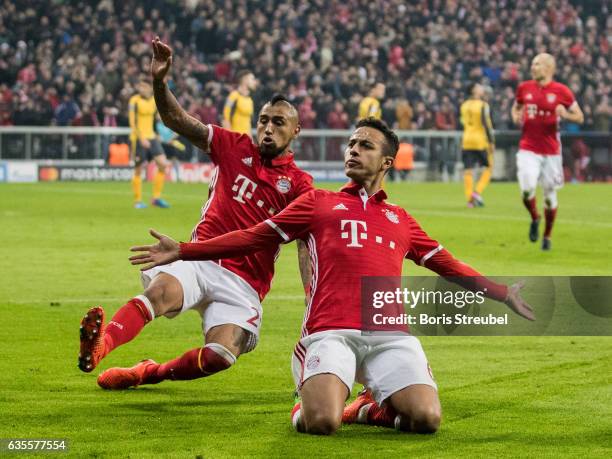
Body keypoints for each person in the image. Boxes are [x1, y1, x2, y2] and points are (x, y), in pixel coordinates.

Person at [129, 117, 534, 435]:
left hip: (390, 335)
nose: (354, 150)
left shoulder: (400, 220)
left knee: (427, 420)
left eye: (365, 146)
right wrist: (185, 250)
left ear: (387, 163)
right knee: (322, 423)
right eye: (352, 144)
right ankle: (308, 398)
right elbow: (252, 238)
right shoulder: (317, 204)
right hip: (329, 332)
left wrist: (501, 293)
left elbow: (449, 265)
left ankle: (368, 408)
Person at [78, 38, 314, 391]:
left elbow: (304, 248)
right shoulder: (231, 146)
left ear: (295, 130)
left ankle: (147, 372)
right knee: (158, 294)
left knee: (221, 354)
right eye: (263, 120)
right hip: (198, 259)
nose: (268, 128)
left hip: (245, 283)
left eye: (278, 123)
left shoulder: (299, 185)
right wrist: (160, 81)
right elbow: (176, 118)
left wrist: (313, 299)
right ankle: (101, 347)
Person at [511, 53, 584, 250]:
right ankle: (535, 217)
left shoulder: (562, 91)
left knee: (550, 195)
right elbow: (516, 107)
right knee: (527, 189)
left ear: (549, 68)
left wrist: (566, 114)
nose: (533, 67)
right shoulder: (524, 88)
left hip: (551, 151)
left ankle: (547, 236)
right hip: (528, 148)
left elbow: (580, 117)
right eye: (532, 63)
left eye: (537, 64)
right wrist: (516, 115)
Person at [129, 77, 171, 209]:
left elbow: (155, 119)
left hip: (151, 137)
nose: (140, 88)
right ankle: (138, 201)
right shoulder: (134, 101)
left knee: (163, 165)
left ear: (149, 88)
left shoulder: (153, 101)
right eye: (140, 86)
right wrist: (141, 138)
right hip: (138, 138)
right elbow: (132, 122)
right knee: (138, 169)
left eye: (143, 86)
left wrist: (158, 133)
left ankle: (156, 198)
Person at [460, 83, 495, 207]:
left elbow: (463, 122)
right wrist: (491, 142)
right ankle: (477, 192)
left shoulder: (464, 105)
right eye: (479, 87)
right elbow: (486, 124)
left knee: (468, 170)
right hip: (480, 141)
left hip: (466, 140)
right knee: (489, 167)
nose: (482, 89)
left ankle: (470, 199)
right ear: (474, 91)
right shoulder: (483, 105)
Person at [222, 69, 257, 136]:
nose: (254, 82)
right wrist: (230, 139)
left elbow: (248, 123)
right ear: (245, 80)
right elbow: (225, 118)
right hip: (235, 138)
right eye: (252, 79)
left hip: (246, 139)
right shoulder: (233, 96)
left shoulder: (250, 100)